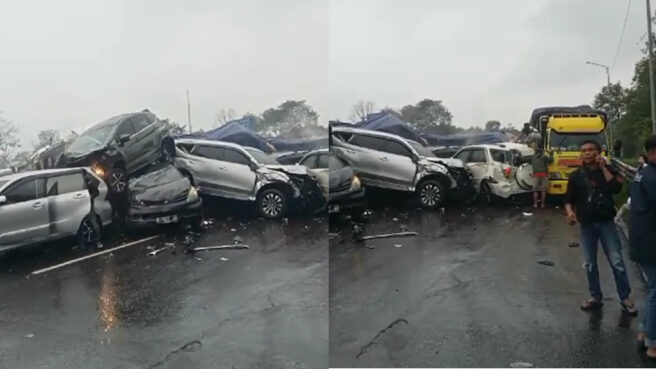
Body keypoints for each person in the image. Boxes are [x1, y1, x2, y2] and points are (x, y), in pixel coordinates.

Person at [565, 140, 637, 315]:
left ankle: (625, 297)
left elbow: (616, 188)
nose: (587, 153)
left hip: (606, 223)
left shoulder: (608, 171)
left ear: (598, 152)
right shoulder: (576, 176)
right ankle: (595, 296)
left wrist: (604, 167)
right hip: (587, 225)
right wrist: (569, 212)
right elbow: (568, 199)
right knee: (590, 263)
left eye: (591, 150)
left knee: (617, 261)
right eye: (584, 150)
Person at [630, 135, 656, 357]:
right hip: (651, 240)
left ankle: (643, 332)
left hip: (642, 238)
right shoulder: (653, 176)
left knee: (652, 290)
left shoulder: (642, 173)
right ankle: (653, 343)